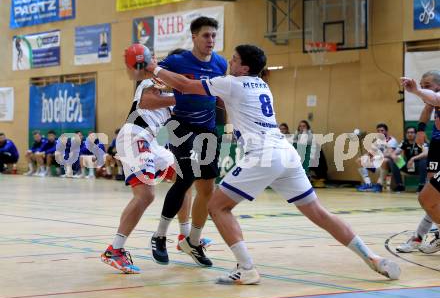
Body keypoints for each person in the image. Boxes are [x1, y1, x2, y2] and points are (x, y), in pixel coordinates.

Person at [146, 44, 401, 284]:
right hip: (286, 153)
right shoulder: (262, 85)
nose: (229, 62)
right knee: (319, 213)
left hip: (263, 154)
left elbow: (184, 85)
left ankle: (246, 269)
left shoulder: (232, 83)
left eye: (233, 59)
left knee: (217, 206)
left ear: (243, 68)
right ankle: (372, 257)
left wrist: (153, 69)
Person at [150, 16, 227, 267]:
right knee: (184, 179)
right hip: (181, 126)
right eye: (206, 35)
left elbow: (221, 97)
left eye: (214, 35)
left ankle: (192, 241)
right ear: (194, 37)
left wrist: (226, 126)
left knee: (208, 189)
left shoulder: (220, 63)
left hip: (208, 129)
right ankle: (160, 235)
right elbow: (152, 82)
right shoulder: (177, 61)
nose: (211, 40)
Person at [101, 44, 177, 273]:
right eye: (152, 57)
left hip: (152, 141)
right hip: (136, 135)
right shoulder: (150, 81)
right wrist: (180, 98)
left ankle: (187, 236)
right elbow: (147, 102)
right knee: (145, 195)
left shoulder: (173, 87)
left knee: (185, 178)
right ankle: (114, 250)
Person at [397, 73, 440, 253]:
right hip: (437, 146)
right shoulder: (432, 100)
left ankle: (419, 237)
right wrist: (421, 130)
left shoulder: (435, 96)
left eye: (427, 85)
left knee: (429, 196)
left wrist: (415, 90)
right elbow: (429, 105)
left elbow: (434, 98)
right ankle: (422, 237)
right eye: (422, 85)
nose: (424, 88)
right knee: (429, 196)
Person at [356, 123, 398, 192]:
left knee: (385, 160)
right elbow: (370, 153)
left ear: (386, 131)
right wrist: (366, 157)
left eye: (382, 130)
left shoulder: (392, 141)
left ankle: (379, 185)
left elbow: (389, 153)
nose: (380, 132)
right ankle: (368, 183)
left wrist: (376, 157)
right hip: (377, 164)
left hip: (387, 166)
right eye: (378, 131)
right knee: (360, 160)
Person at [388, 126, 428, 193]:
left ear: (416, 134)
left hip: (419, 166)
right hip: (408, 166)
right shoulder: (404, 142)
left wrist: (413, 158)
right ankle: (400, 185)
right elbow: (394, 153)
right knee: (393, 160)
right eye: (408, 132)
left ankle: (421, 185)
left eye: (412, 132)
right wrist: (394, 156)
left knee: (424, 161)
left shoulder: (421, 141)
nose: (410, 134)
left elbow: (426, 153)